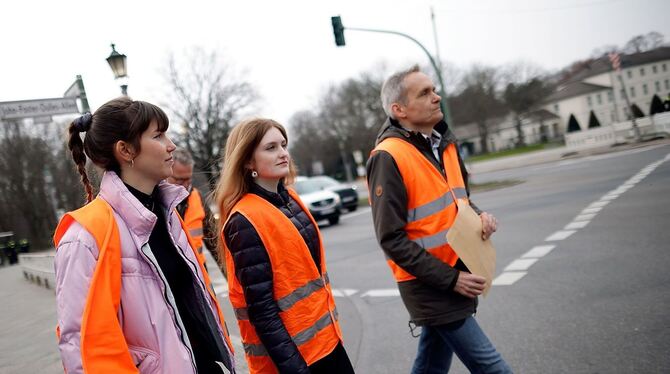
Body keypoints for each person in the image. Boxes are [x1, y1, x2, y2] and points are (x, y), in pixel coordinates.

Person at [54, 97, 235, 374]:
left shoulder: (168, 214)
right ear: (126, 150)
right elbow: (83, 348)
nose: (171, 145)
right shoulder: (84, 237)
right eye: (158, 135)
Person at [366, 65, 512, 373]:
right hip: (432, 285)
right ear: (399, 109)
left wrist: (480, 216)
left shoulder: (443, 143)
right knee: (494, 368)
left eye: (434, 90)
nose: (437, 97)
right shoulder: (388, 156)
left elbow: (460, 200)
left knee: (431, 365)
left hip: (458, 272)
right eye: (425, 93)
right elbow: (390, 238)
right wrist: (451, 279)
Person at [215, 118, 355, 374]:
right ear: (247, 161)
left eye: (283, 145)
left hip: (327, 344)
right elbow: (263, 311)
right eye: (270, 148)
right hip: (295, 361)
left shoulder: (291, 199)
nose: (283, 153)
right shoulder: (243, 221)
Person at [167, 148, 219, 267]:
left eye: (188, 179)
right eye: (179, 180)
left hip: (199, 270)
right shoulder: (157, 201)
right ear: (166, 173)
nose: (185, 185)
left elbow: (214, 241)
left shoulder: (197, 197)